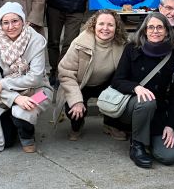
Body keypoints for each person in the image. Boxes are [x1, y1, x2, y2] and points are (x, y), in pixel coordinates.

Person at [111, 12, 174, 168]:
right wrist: (136, 87)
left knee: (169, 157)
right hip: (133, 106)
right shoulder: (132, 48)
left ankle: (149, 138)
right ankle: (137, 145)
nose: (155, 31)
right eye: (150, 27)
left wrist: (170, 125)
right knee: (147, 101)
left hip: (158, 112)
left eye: (159, 27)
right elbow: (117, 81)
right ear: (144, 30)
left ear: (167, 31)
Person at [0, 2, 53, 153]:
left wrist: (3, 83)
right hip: (6, 94)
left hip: (39, 90)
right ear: (1, 24)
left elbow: (35, 78)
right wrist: (16, 98)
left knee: (22, 112)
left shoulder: (36, 39)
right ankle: (14, 121)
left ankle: (27, 136)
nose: (10, 26)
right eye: (5, 22)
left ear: (23, 21)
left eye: (15, 21)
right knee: (3, 141)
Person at [54, 9, 127, 141]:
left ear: (116, 27)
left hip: (105, 83)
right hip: (80, 84)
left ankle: (110, 124)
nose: (105, 28)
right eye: (101, 24)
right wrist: (76, 101)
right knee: (74, 109)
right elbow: (65, 73)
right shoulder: (79, 44)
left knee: (121, 92)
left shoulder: (121, 44)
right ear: (94, 25)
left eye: (110, 25)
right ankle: (77, 125)